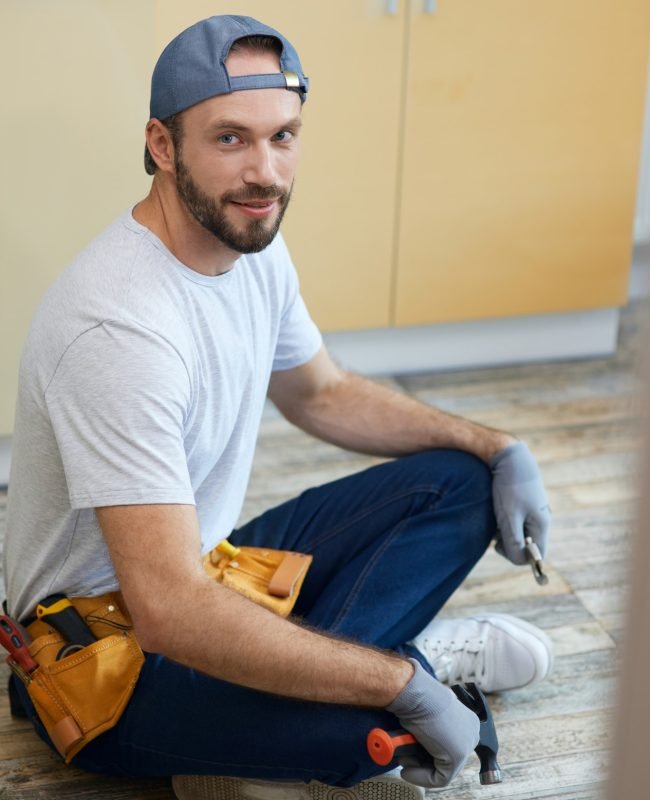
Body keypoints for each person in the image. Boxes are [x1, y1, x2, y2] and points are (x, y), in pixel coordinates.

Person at [3, 15, 553, 800]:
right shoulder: (116, 328)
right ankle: (392, 666)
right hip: (101, 665)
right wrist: (402, 686)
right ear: (162, 145)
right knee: (376, 737)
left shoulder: (246, 235)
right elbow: (165, 614)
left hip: (211, 578)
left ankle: (260, 742)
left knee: (460, 481)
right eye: (230, 139)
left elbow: (321, 393)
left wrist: (501, 448)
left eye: (283, 136)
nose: (265, 172)